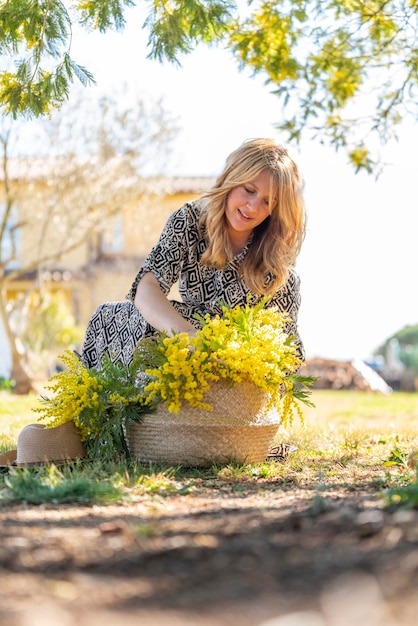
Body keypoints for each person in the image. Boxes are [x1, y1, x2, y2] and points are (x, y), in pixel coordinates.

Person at [81, 138, 306, 370]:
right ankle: (115, 401)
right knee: (113, 314)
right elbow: (147, 287)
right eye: (249, 190)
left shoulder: (276, 261)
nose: (253, 207)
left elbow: (287, 351)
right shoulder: (189, 221)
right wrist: (188, 335)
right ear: (231, 179)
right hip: (187, 338)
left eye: (268, 202)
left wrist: (234, 353)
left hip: (243, 360)